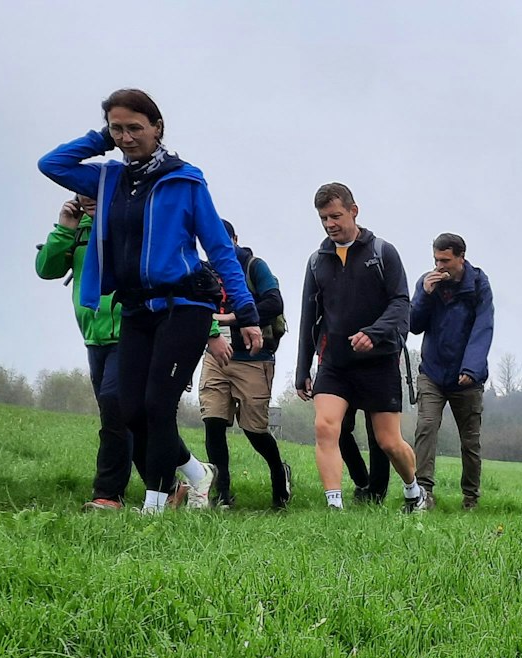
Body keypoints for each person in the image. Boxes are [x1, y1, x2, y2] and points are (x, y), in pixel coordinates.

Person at [39, 88, 259, 513]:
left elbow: (219, 248)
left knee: (158, 404)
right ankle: (197, 473)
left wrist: (246, 312)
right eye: (117, 128)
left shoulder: (185, 180)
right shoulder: (108, 179)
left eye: (135, 128)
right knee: (127, 407)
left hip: (185, 306)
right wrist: (99, 138)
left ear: (158, 128)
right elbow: (52, 164)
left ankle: (154, 507)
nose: (125, 137)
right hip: (136, 307)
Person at [293, 183, 425, 512]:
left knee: (389, 442)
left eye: (336, 216)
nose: (330, 224)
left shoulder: (382, 252)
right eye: (324, 218)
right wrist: (302, 369)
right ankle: (334, 506)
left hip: (378, 362)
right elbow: (309, 317)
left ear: (354, 210)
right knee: (325, 426)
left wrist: (375, 333)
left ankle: (413, 490)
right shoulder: (316, 261)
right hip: (335, 363)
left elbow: (400, 303)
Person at [34, 196, 133, 510]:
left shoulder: (129, 223)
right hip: (94, 338)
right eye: (80, 191)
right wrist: (65, 229)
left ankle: (107, 493)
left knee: (114, 403)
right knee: (122, 415)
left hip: (131, 332)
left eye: (94, 190)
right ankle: (178, 480)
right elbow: (46, 269)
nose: (87, 197)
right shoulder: (79, 231)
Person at [198, 220, 292, 510]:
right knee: (213, 422)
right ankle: (222, 494)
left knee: (254, 430)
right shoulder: (203, 271)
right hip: (215, 357)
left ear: (235, 239)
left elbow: (274, 304)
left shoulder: (254, 266)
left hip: (253, 360)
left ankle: (280, 475)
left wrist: (231, 319)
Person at [409, 232, 494, 511]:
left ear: (461, 257)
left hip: (467, 377)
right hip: (432, 372)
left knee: (470, 440)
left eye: (445, 260)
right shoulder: (428, 283)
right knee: (426, 427)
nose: (439, 266)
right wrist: (424, 295)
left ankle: (471, 497)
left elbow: (483, 327)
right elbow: (413, 324)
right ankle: (424, 493)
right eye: (436, 260)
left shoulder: (479, 285)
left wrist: (471, 367)